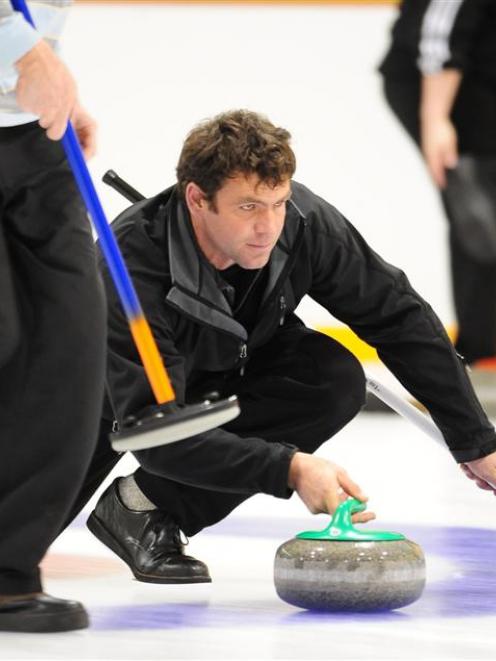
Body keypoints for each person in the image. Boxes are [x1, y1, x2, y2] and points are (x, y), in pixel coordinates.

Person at [64, 109, 496, 586]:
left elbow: (398, 317)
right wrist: (289, 468)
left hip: (229, 366)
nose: (269, 226)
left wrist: (476, 441)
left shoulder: (304, 224)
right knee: (12, 542)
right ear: (197, 199)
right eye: (248, 207)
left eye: (278, 202)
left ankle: (143, 509)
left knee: (329, 378)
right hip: (103, 398)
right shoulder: (132, 270)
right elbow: (155, 434)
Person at [0, 1, 106, 633]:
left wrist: (49, 76)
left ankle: (6, 570)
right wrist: (24, 50)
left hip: (29, 132)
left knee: (64, 345)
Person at [379, 0, 496, 366]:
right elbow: (440, 27)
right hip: (447, 88)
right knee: (481, 220)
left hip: (475, 80)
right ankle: (483, 355)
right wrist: (436, 117)